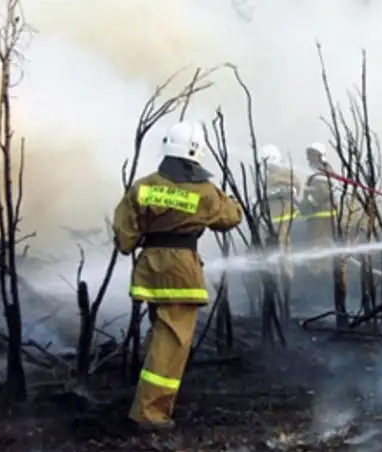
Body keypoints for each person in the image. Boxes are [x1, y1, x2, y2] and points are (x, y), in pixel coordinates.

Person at [113, 120, 243, 431]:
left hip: (150, 269)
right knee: (172, 342)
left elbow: (125, 238)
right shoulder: (205, 192)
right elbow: (230, 218)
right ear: (197, 152)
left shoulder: (143, 187)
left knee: (159, 332)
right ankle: (150, 413)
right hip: (182, 272)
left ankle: (147, 397)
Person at [258, 144, 301, 305]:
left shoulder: (281, 175)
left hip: (279, 222)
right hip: (273, 221)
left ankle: (282, 290)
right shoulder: (274, 175)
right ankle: (276, 286)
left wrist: (276, 193)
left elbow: (294, 190)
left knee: (281, 253)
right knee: (275, 253)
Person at [298, 142, 339, 276]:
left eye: (311, 155)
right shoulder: (317, 171)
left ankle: (322, 273)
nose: (308, 158)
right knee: (317, 244)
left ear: (320, 156)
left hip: (322, 216)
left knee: (321, 244)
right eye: (308, 155)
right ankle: (319, 270)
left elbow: (324, 192)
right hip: (317, 215)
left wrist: (309, 202)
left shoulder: (323, 170)